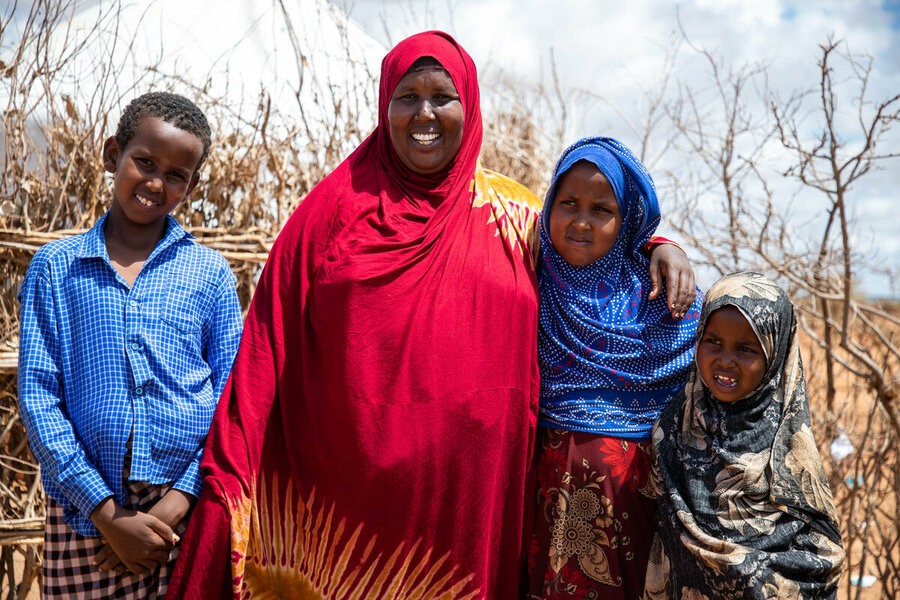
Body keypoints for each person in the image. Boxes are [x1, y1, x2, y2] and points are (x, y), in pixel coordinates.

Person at [165, 32, 694, 600]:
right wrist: (225, 479)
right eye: (406, 96)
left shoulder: (512, 215)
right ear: (384, 105)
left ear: (468, 105)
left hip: (471, 521)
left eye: (442, 96)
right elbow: (267, 348)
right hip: (350, 529)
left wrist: (657, 244)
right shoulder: (328, 214)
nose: (424, 112)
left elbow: (590, 244)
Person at [16, 92, 243, 599]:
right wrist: (107, 514)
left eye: (177, 175)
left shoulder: (208, 275)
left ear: (194, 184)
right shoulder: (58, 268)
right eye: (144, 161)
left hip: (187, 514)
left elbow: (232, 397)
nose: (157, 183)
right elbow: (37, 396)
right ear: (111, 152)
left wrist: (182, 498)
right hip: (85, 512)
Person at [525, 137, 703, 600]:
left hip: (637, 511)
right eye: (568, 203)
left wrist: (664, 247)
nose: (581, 221)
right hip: (541, 503)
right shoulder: (527, 273)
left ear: (627, 223)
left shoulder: (661, 300)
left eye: (602, 210)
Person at [644, 272, 845, 599]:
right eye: (713, 342)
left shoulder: (788, 442)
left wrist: (752, 575)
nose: (725, 360)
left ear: (775, 354)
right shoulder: (676, 423)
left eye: (746, 348)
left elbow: (821, 556)